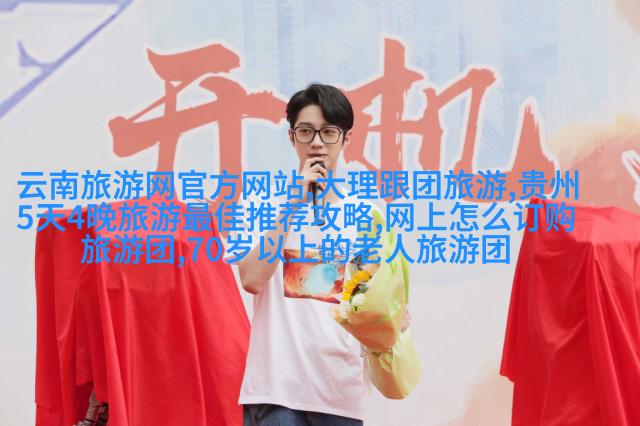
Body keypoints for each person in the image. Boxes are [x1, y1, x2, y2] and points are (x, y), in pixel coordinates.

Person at [227, 83, 380, 426]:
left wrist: (392, 316)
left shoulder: (365, 215)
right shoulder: (259, 203)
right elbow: (252, 279)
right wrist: (293, 201)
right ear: (291, 137)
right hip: (275, 391)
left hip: (340, 391)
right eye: (306, 131)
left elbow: (366, 298)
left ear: (346, 139)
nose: (317, 142)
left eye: (329, 132)